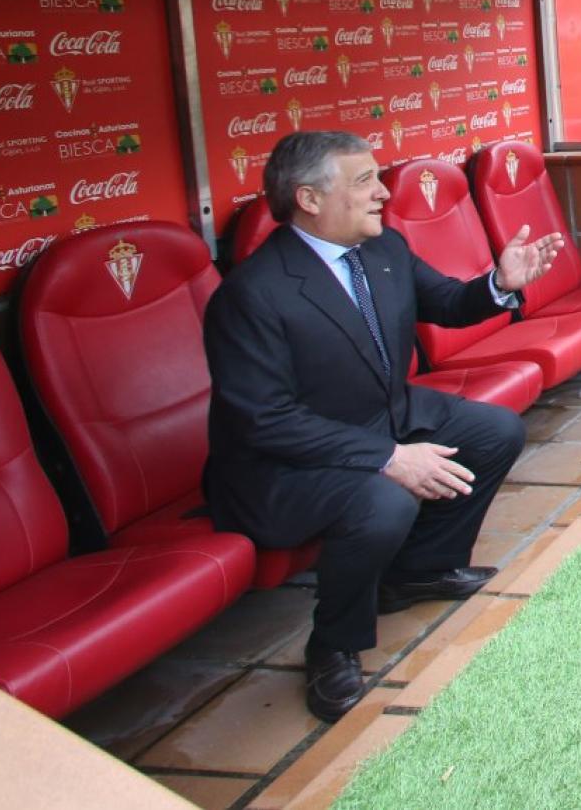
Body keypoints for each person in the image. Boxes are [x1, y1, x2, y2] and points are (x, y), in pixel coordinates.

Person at [204, 131, 558, 720]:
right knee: (384, 501)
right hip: (284, 464)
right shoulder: (252, 293)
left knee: (496, 432)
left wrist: (501, 284)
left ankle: (414, 574)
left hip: (383, 417)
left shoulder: (385, 249)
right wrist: (388, 458)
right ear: (309, 199)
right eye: (364, 180)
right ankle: (333, 644)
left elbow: (446, 302)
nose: (383, 192)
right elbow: (264, 420)